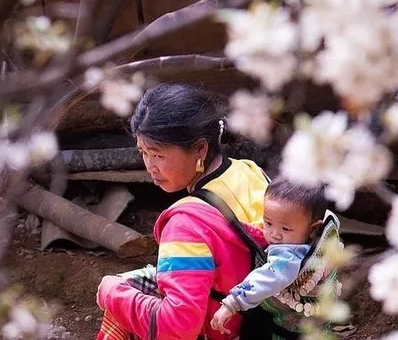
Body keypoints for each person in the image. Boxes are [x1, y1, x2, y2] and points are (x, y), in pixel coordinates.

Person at [95, 83, 271, 340]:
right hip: (268, 324)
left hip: (228, 330)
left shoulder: (186, 224)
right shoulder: (249, 172)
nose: (150, 166)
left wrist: (111, 292)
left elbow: (177, 327)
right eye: (143, 153)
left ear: (200, 148)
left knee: (120, 297)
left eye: (158, 155)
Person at [208, 180, 328, 334]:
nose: (274, 234)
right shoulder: (318, 237)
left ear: (314, 228)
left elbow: (268, 276)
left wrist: (232, 303)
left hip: (283, 326)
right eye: (268, 222)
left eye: (285, 228)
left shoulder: (288, 258)